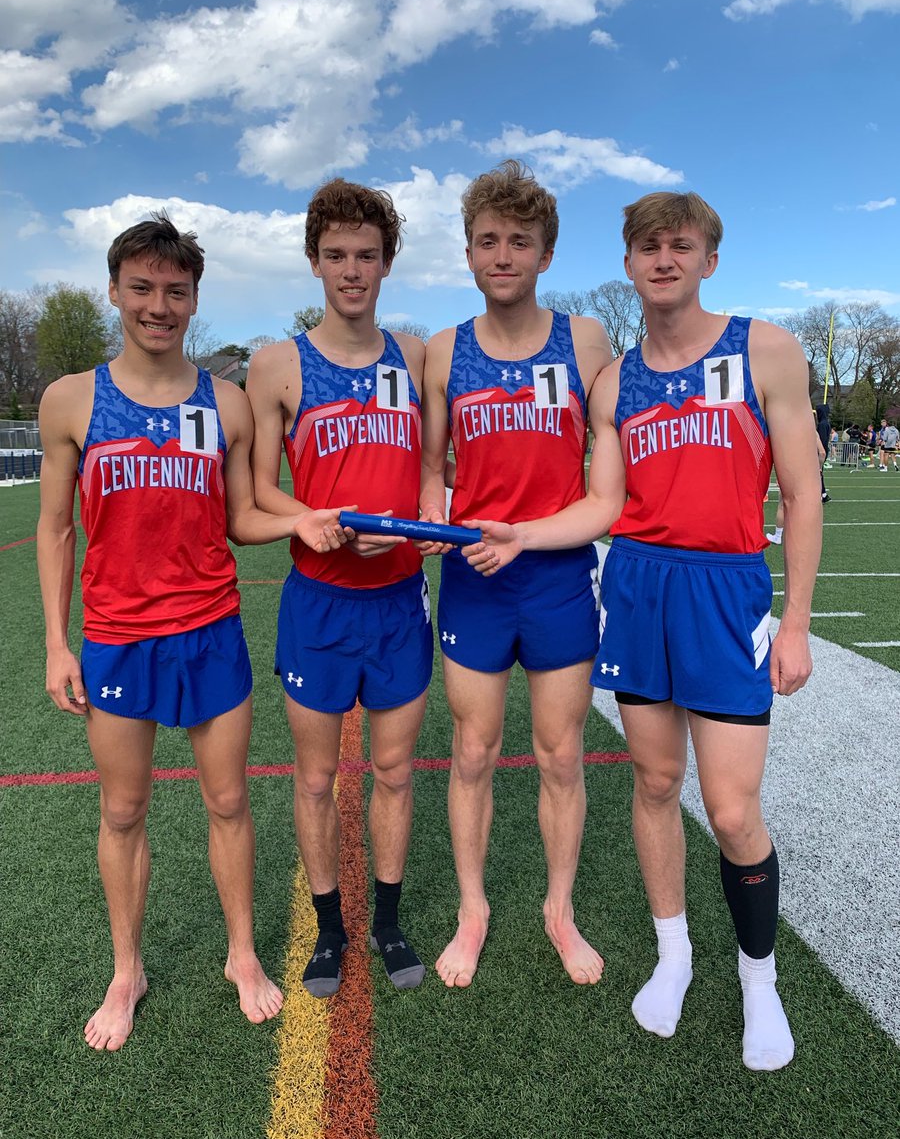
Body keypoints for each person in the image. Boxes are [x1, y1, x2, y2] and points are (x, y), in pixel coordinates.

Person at [463, 191, 822, 1070]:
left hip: (726, 590)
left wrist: (799, 624)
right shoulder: (615, 381)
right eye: (648, 248)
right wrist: (522, 533)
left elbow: (805, 492)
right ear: (627, 264)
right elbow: (603, 503)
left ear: (708, 259)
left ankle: (758, 980)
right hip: (636, 588)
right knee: (656, 783)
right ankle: (674, 956)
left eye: (681, 245)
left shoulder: (764, 348)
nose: (663, 260)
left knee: (733, 811)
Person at [36, 212, 315, 1050]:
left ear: (194, 299)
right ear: (116, 291)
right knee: (123, 812)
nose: (159, 305)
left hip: (210, 631)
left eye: (176, 291)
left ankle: (240, 954)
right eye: (143, 288)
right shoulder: (70, 399)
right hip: (118, 638)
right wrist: (57, 642)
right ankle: (128, 969)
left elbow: (243, 518)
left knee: (229, 800)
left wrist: (310, 521)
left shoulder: (225, 404)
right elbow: (55, 529)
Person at [419, 159, 613, 988]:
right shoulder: (443, 350)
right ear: (468, 253)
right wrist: (437, 519)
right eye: (489, 241)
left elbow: (606, 494)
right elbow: (432, 466)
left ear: (545, 255)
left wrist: (525, 537)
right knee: (472, 751)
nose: (504, 254)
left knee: (561, 755)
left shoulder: (586, 342)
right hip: (475, 580)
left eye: (520, 242)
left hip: (556, 576)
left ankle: (557, 909)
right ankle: (474, 909)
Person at [246, 179, 431, 997]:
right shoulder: (277, 364)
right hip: (319, 602)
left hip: (397, 599)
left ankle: (387, 922)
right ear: (314, 261)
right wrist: (309, 516)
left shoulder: (416, 355)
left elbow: (431, 475)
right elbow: (257, 491)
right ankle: (330, 930)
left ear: (387, 262)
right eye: (336, 256)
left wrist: (422, 524)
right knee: (317, 778)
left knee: (393, 773)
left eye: (366, 256)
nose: (351, 271)